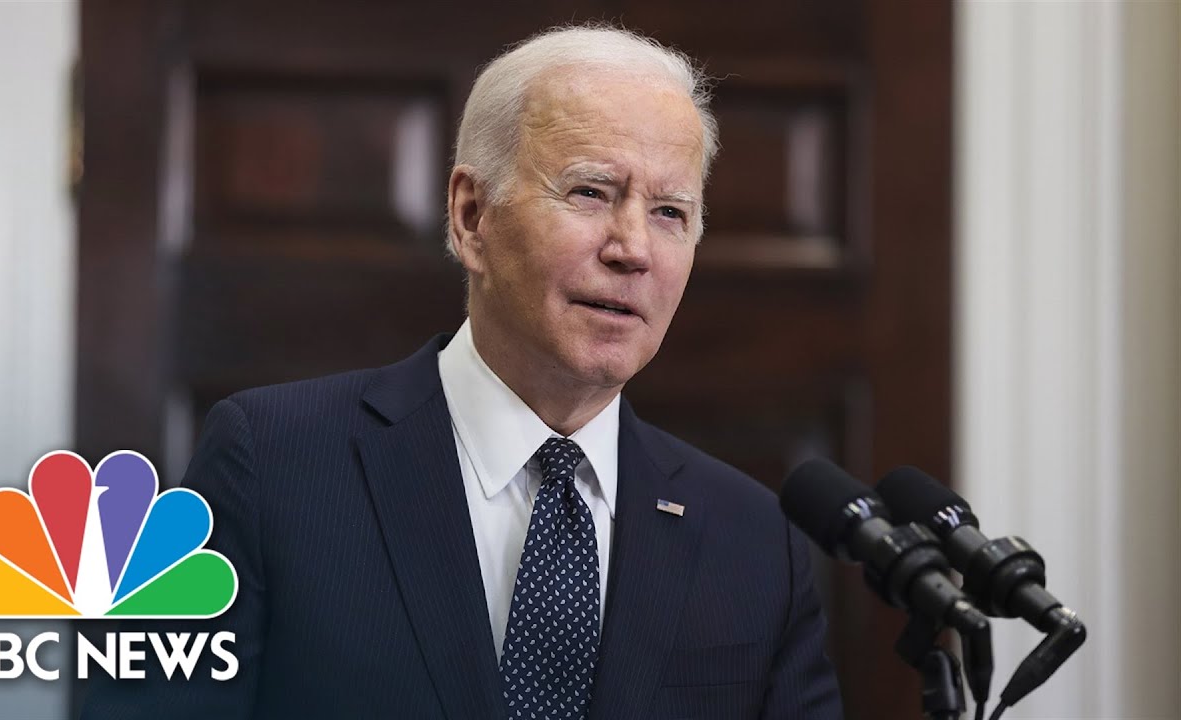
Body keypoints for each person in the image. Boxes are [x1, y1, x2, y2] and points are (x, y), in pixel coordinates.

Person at [83, 25, 843, 719]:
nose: (633, 248)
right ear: (471, 216)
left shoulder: (752, 541)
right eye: (590, 193)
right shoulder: (271, 464)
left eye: (671, 212)